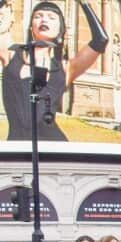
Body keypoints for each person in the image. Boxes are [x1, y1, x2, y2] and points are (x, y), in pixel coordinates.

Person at [1, 1, 107, 141]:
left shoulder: (65, 69)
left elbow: (101, 40)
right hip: (17, 148)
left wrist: (84, 3)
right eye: (38, 16)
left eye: (51, 17)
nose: (44, 19)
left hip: (53, 149)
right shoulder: (11, 54)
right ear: (31, 25)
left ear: (60, 29)